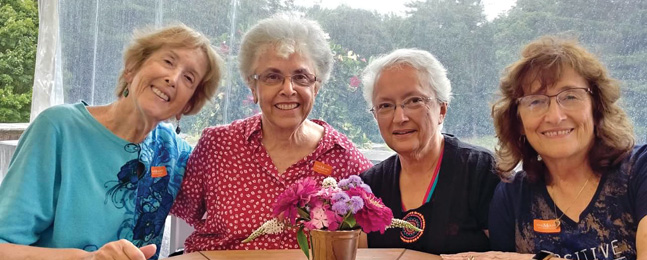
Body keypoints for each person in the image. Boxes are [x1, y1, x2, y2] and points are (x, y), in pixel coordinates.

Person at [0, 24, 224, 260]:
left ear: (187, 106)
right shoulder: (59, 129)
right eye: (168, 61)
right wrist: (88, 258)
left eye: (189, 78)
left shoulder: (174, 153)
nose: (173, 78)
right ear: (132, 68)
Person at [170, 14, 373, 252]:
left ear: (316, 87)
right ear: (252, 87)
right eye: (272, 77)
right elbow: (173, 206)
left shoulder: (342, 155)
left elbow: (372, 227)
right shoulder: (218, 144)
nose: (288, 89)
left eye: (301, 77)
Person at [489, 36, 647, 259]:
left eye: (570, 96)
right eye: (536, 101)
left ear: (596, 108)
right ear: (518, 122)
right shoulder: (511, 197)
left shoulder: (639, 170)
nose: (555, 116)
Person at [359, 48, 500, 254]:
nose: (400, 118)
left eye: (414, 101)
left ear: (442, 109)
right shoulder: (370, 185)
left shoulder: (480, 171)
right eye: (385, 105)